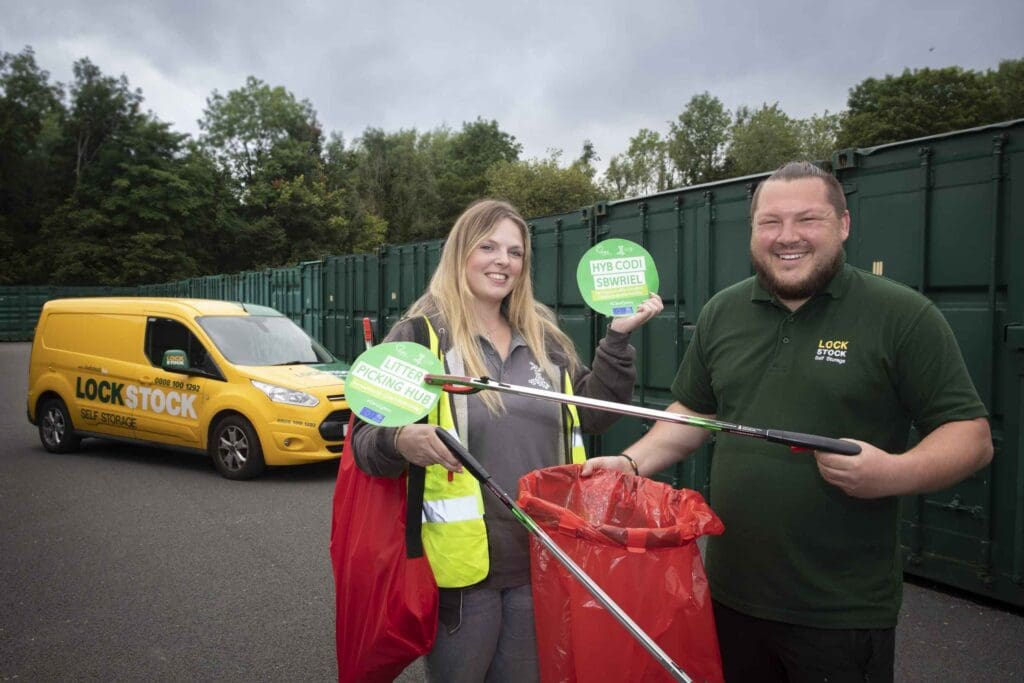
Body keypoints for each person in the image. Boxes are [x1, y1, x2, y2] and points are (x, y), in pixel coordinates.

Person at [582, 161, 993, 682]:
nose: (787, 237)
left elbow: (971, 437)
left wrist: (893, 473)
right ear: (752, 231)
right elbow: (693, 413)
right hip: (730, 597)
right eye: (770, 222)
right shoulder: (722, 312)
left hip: (841, 614)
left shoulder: (902, 315)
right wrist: (628, 461)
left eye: (808, 220)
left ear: (843, 224)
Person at [351, 198, 663, 683]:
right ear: (460, 253)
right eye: (488, 246)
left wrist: (617, 338)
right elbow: (365, 443)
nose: (503, 261)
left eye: (515, 252)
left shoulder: (545, 337)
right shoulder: (419, 334)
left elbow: (595, 413)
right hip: (462, 570)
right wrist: (401, 440)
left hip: (542, 553)